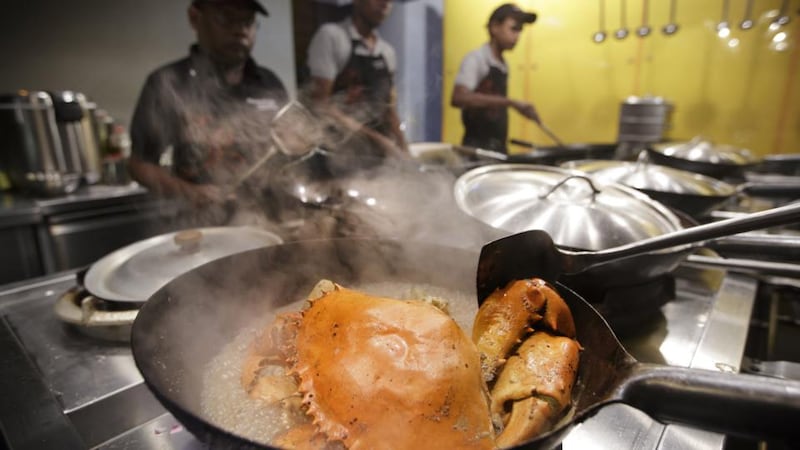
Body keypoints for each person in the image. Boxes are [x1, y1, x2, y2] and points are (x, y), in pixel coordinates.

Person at [128, 0, 289, 214]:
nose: (240, 29)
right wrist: (190, 192)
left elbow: (285, 151)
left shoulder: (269, 83)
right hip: (202, 223)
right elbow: (140, 165)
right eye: (226, 17)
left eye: (247, 21)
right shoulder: (169, 83)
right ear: (195, 18)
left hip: (267, 216)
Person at [304, 0, 408, 159]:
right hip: (337, 155)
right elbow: (320, 104)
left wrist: (404, 148)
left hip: (376, 158)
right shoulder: (332, 37)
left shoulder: (387, 52)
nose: (385, 4)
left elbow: (389, 108)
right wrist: (376, 139)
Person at [451, 3, 540, 154]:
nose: (517, 36)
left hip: (497, 150)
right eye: (513, 28)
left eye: (520, 30)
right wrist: (511, 102)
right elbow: (459, 97)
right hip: (476, 152)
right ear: (494, 27)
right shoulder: (477, 59)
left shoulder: (503, 65)